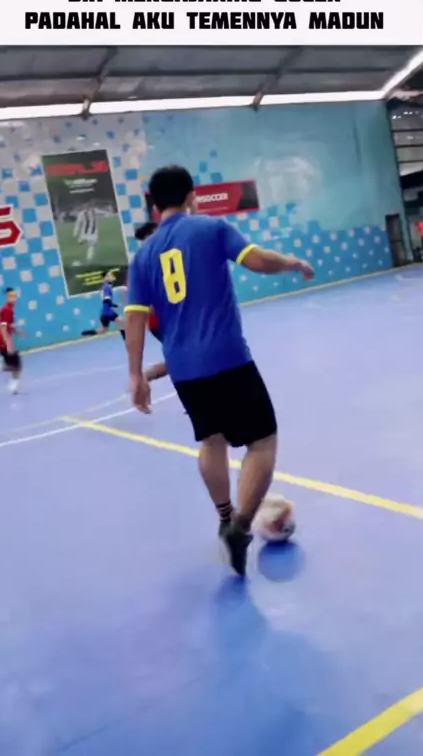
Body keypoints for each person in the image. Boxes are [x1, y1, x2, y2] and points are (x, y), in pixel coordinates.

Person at [125, 165, 315, 577]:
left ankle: (224, 515)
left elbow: (135, 318)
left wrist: (136, 375)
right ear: (191, 196)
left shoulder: (142, 257)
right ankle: (240, 527)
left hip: (184, 370)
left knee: (211, 440)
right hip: (227, 357)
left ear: (154, 208)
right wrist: (293, 262)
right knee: (262, 440)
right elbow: (258, 261)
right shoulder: (211, 229)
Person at [135, 221, 168, 383]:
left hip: (170, 320)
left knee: (186, 357)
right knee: (185, 357)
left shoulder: (163, 259)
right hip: (162, 322)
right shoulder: (145, 265)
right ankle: (142, 378)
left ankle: (143, 378)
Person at [0, 287, 24, 394]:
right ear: (7, 297)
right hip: (3, 341)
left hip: (1, 340)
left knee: (10, 366)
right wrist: (8, 344)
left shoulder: (9, 310)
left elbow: (7, 325)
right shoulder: (6, 310)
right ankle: (13, 387)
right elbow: (3, 328)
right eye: (11, 296)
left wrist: (17, 332)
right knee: (17, 366)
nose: (14, 298)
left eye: (15, 296)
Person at [81, 270, 126, 342]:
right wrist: (116, 305)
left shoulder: (105, 287)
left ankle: (87, 332)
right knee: (121, 322)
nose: (111, 277)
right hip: (108, 311)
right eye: (109, 275)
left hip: (105, 311)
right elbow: (107, 301)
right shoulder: (107, 287)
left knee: (103, 330)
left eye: (111, 275)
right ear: (105, 278)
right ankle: (126, 339)